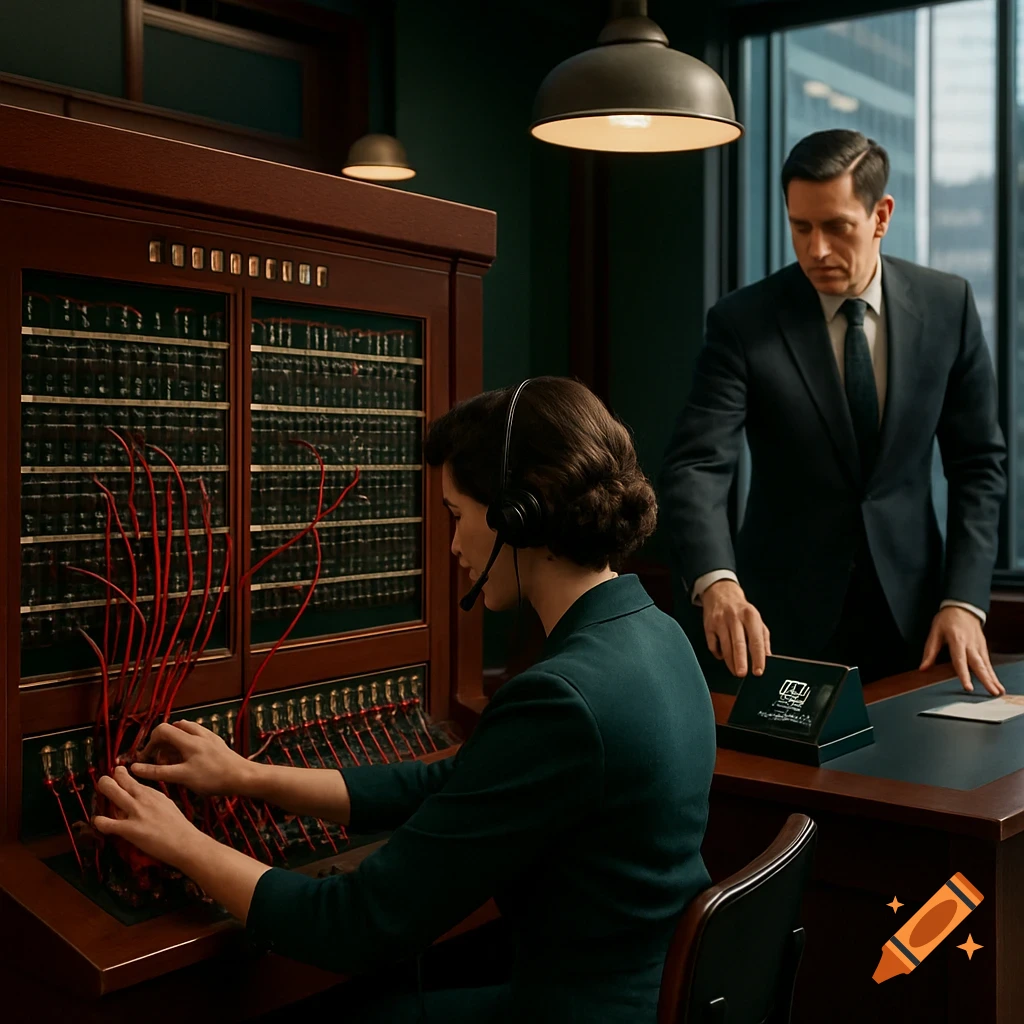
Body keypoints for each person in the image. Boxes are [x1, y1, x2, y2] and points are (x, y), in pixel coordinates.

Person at [92, 376, 717, 1023]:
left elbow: (359, 926)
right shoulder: (653, 635)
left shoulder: (564, 700)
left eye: (456, 515)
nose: (452, 546)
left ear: (515, 514)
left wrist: (182, 842)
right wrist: (246, 776)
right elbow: (453, 782)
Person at [660, 129, 1006, 691]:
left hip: (916, 623)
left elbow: (978, 465)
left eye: (836, 226)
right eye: (801, 227)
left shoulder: (950, 305)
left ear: (881, 214)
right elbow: (696, 465)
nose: (816, 249)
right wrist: (717, 581)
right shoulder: (743, 322)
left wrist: (964, 600)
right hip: (779, 623)